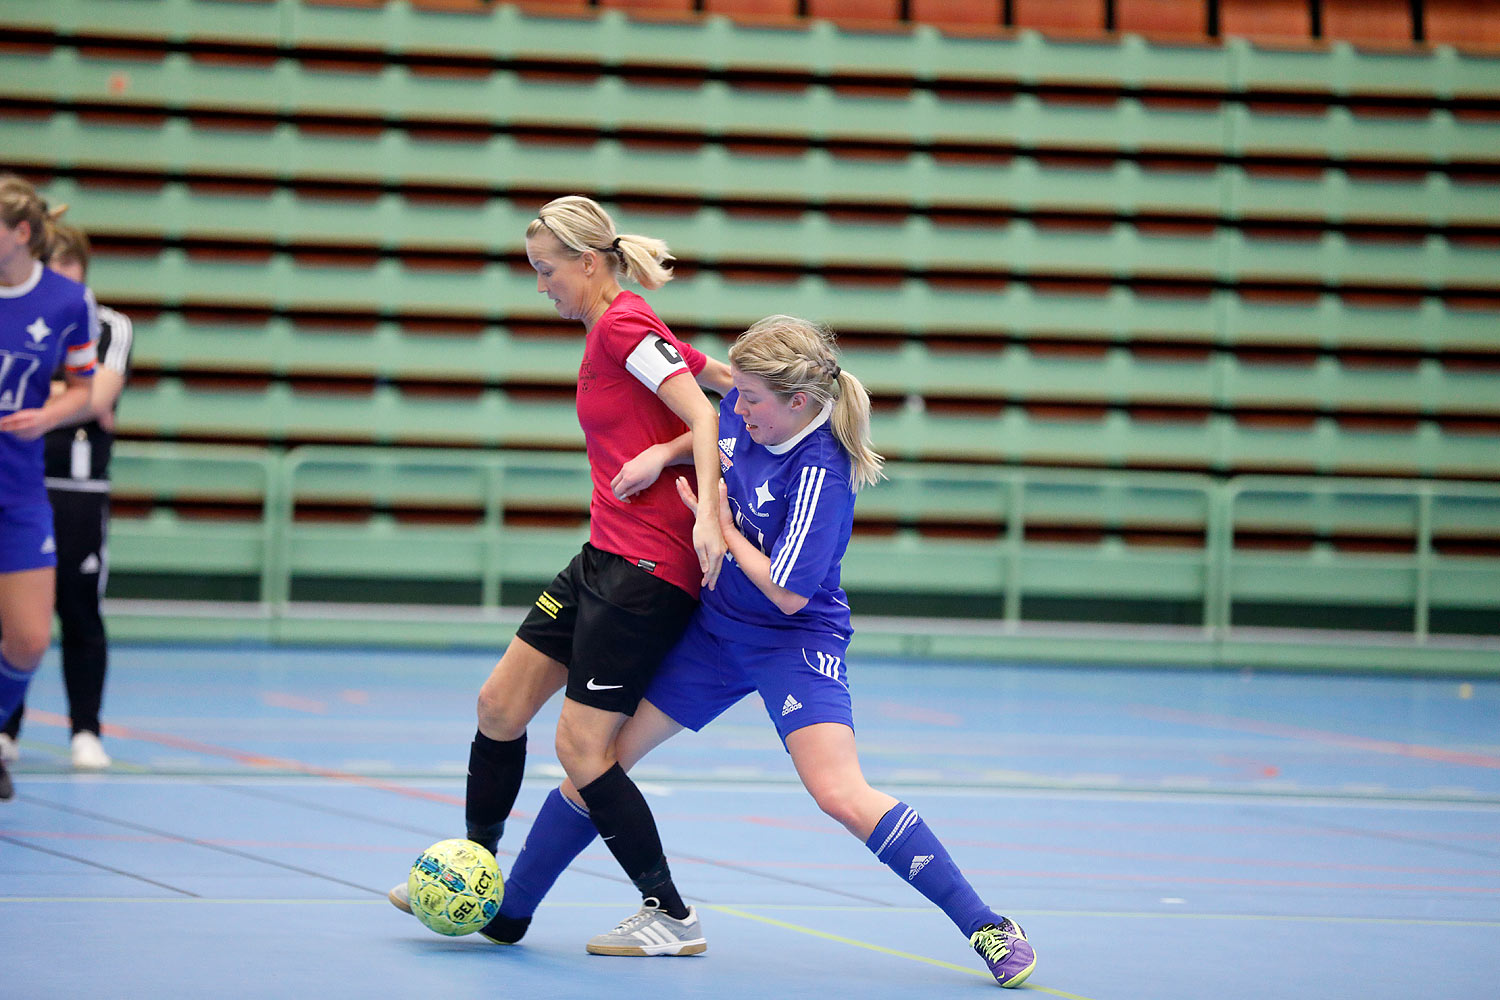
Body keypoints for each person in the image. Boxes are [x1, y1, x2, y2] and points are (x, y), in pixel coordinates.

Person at [472, 315, 1037, 985]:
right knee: (599, 761)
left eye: (749, 398)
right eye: (734, 394)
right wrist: (664, 454)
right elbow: (713, 435)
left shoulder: (823, 472)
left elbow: (790, 595)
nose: (735, 409)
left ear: (798, 401)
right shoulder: (749, 414)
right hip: (714, 634)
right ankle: (513, 909)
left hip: (789, 641)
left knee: (839, 793)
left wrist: (714, 526)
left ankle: (989, 928)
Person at [387, 195, 728, 955]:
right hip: (602, 554)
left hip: (647, 570)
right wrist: (763, 388)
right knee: (500, 706)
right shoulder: (624, 324)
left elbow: (702, 416)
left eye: (547, 271)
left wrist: (704, 508)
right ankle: (475, 873)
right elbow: (720, 380)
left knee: (582, 749)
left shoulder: (624, 325)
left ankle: (671, 914)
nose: (541, 286)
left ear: (587, 263)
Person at [0, 223, 133, 772]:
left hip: (75, 489)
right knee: (11, 622)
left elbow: (98, 398)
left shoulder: (103, 324)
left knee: (76, 610)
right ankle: (7, 733)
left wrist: (52, 395)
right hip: (23, 475)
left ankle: (86, 728)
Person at [0, 175, 99, 801]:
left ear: (21, 234)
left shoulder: (68, 301)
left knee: (30, 638)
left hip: (19, 488)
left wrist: (49, 413)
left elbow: (85, 389)